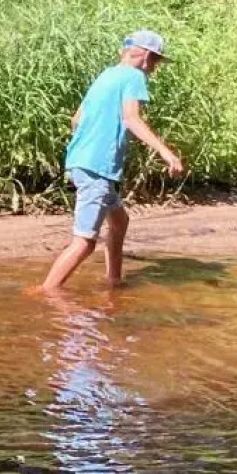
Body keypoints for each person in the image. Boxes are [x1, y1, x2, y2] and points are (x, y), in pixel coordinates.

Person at [40, 30, 185, 293]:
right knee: (84, 242)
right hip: (97, 168)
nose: (154, 68)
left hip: (83, 163)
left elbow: (77, 119)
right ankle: (45, 293)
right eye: (156, 62)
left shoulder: (107, 75)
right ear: (147, 57)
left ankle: (114, 280)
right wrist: (165, 152)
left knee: (119, 222)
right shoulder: (134, 76)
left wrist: (87, 148)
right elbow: (131, 118)